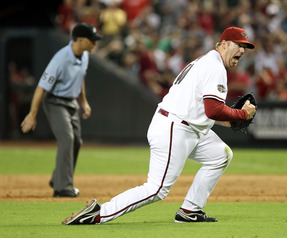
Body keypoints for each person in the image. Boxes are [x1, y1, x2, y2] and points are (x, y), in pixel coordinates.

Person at [62, 26, 256, 224]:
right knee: (156, 189)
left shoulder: (208, 62)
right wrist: (241, 114)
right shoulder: (214, 67)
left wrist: (232, 120)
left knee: (220, 155)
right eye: (238, 45)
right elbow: (212, 110)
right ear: (223, 44)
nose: (242, 50)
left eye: (245, 47)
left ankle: (190, 210)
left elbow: (199, 108)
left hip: (186, 126)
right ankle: (98, 213)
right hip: (175, 128)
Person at [20, 23, 103, 197]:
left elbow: (79, 78)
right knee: (67, 138)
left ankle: (57, 177)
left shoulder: (84, 56)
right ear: (80, 40)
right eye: (91, 40)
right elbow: (41, 87)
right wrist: (32, 114)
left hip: (71, 102)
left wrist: (84, 102)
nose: (94, 43)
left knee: (76, 142)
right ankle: (62, 188)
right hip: (55, 102)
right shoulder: (61, 58)